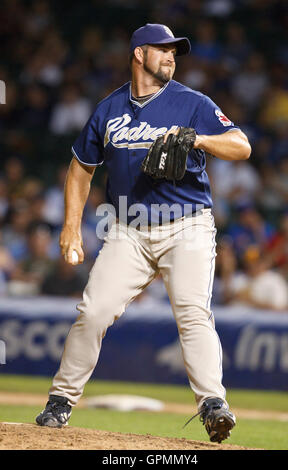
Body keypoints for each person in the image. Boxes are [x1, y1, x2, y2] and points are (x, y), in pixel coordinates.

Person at [36, 24, 251, 443]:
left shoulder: (192, 102)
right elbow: (81, 166)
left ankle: (213, 405)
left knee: (192, 313)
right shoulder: (109, 109)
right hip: (127, 230)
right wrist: (70, 227)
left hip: (186, 224)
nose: (172, 56)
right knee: (93, 311)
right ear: (139, 54)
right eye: (164, 50)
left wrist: (201, 141)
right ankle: (60, 402)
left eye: (175, 51)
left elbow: (242, 145)